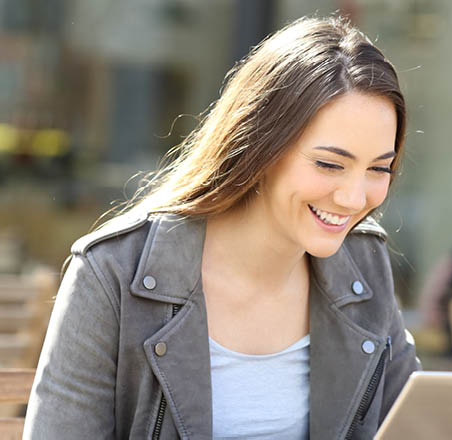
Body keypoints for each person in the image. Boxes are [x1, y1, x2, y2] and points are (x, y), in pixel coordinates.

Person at [23, 16, 420, 440]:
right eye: (329, 164)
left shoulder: (364, 262)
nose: (354, 199)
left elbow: (418, 421)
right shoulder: (113, 273)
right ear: (261, 146)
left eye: (379, 169)